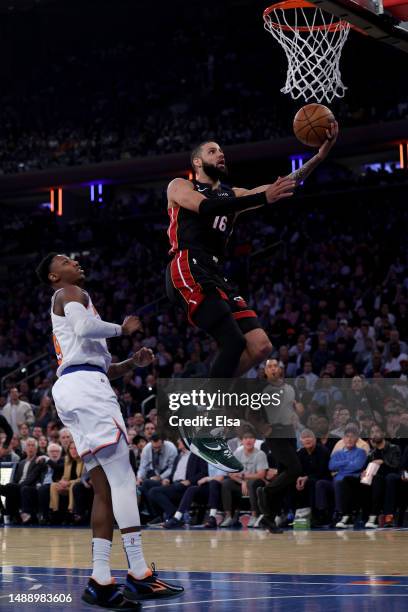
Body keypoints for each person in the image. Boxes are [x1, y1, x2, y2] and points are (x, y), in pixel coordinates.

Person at [165, 130, 338, 471]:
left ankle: (198, 401)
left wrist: (319, 156)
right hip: (188, 264)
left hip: (217, 274)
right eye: (214, 151)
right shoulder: (180, 186)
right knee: (231, 340)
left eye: (222, 150)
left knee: (260, 346)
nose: (221, 154)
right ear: (198, 162)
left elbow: (280, 186)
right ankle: (203, 426)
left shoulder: (234, 194)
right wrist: (259, 198)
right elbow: (208, 207)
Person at [36, 252, 183, 609]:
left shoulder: (70, 300)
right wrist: (122, 329)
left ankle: (101, 579)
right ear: (55, 276)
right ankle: (138, 573)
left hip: (73, 389)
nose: (74, 263)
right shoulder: (71, 292)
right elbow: (88, 331)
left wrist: (131, 364)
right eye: (65, 261)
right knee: (122, 479)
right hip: (86, 390)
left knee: (103, 489)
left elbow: (95, 361)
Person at [257, 359, 302, 533]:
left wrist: (297, 411)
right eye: (269, 366)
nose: (273, 368)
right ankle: (267, 491)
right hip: (274, 434)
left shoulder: (289, 388)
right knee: (295, 469)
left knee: (285, 476)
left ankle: (268, 518)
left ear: (281, 369)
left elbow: (294, 407)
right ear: (265, 372)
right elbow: (248, 412)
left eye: (275, 365)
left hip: (289, 432)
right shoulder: (260, 389)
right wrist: (262, 428)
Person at [219, 431, 268, 528]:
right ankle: (228, 516)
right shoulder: (238, 453)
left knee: (252, 484)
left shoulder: (260, 454)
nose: (248, 440)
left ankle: (254, 516)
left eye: (251, 438)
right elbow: (230, 473)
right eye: (246, 438)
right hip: (241, 483)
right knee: (226, 483)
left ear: (254, 441)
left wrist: (243, 477)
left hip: (257, 483)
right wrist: (242, 482)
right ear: (241, 441)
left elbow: (261, 474)